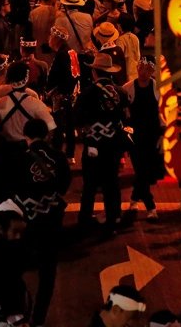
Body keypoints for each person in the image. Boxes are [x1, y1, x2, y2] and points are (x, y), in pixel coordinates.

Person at [11, 119, 70, 327]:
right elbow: (63, 187)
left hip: (24, 221)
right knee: (47, 274)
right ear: (46, 135)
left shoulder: (18, 158)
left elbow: (9, 187)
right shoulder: (58, 157)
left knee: (16, 269)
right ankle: (38, 320)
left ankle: (17, 315)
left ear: (26, 136)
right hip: (51, 220)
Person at [75, 54, 129, 235]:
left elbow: (77, 118)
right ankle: (113, 219)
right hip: (114, 145)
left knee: (89, 185)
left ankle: (84, 220)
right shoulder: (121, 92)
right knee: (111, 183)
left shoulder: (87, 93)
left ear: (94, 71)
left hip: (93, 145)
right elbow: (126, 118)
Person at [123, 60, 165, 218]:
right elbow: (124, 112)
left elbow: (162, 113)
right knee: (140, 169)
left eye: (148, 69)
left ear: (153, 71)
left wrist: (163, 134)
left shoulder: (158, 88)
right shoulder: (128, 88)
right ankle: (150, 207)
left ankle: (134, 199)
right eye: (141, 68)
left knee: (146, 171)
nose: (143, 72)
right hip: (135, 135)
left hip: (153, 135)